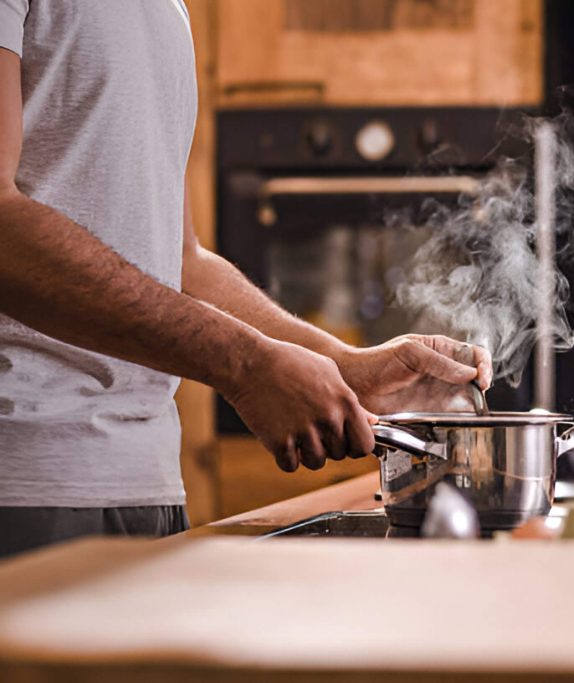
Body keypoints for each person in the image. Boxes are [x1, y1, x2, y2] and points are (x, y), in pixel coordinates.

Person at [0, 1, 491, 557]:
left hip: (146, 487)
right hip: (21, 485)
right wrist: (246, 364)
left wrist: (346, 368)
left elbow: (178, 261)